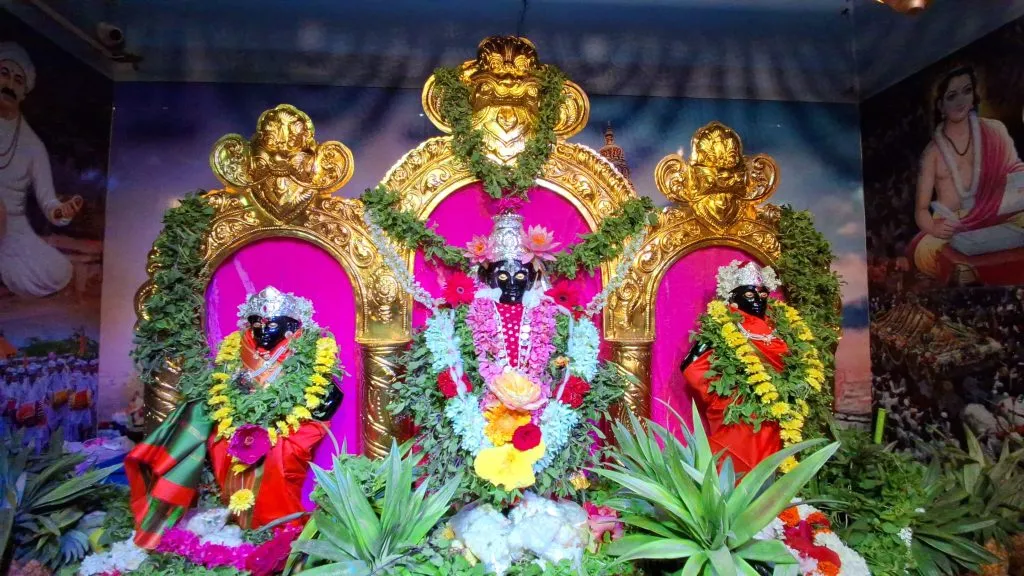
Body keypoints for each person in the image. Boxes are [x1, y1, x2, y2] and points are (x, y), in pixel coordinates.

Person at [125, 287, 344, 549]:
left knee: (277, 460)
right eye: (256, 323)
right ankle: (238, 530)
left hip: (289, 432)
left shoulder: (310, 360)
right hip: (237, 430)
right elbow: (221, 397)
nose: (262, 330)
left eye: (271, 324)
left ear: (291, 328)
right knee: (220, 444)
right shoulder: (234, 357)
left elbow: (324, 401)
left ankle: (279, 534)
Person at [911, 65, 1024, 280]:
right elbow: (921, 210)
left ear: (974, 96)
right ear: (941, 106)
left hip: (1001, 214)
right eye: (952, 96)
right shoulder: (933, 153)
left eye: (967, 91)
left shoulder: (995, 130)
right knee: (926, 252)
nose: (961, 100)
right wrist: (934, 229)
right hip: (954, 224)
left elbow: (1015, 170)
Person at [680, 261, 787, 473]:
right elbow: (690, 366)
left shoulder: (779, 328)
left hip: (773, 410)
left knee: (768, 466)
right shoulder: (722, 325)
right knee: (735, 465)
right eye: (749, 295)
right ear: (734, 299)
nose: (757, 300)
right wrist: (726, 393)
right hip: (736, 412)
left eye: (763, 295)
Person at [0, 41, 83, 298]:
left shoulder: (32, 145)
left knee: (57, 271)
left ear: (24, 92)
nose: (10, 85)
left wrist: (61, 210)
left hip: (12, 230)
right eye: (4, 74)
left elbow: (48, 203)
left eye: (18, 80)